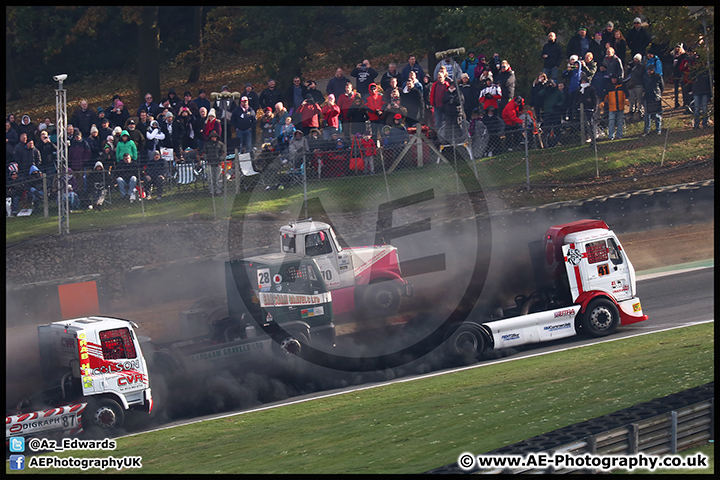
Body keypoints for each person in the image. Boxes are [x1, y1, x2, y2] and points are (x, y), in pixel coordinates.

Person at [602, 74, 628, 140]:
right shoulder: (608, 87)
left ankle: (619, 135)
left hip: (620, 107)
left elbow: (626, 95)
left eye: (615, 79)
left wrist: (626, 102)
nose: (613, 80)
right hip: (612, 108)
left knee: (620, 122)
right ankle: (611, 136)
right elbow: (604, 96)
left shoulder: (622, 86)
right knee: (611, 122)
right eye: (612, 79)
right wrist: (602, 103)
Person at [200, 130, 225, 196]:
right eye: (212, 137)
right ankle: (212, 191)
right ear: (210, 137)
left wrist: (220, 159)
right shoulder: (207, 144)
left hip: (218, 163)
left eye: (215, 137)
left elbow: (223, 153)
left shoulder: (221, 144)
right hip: (210, 163)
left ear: (217, 137)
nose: (214, 138)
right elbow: (204, 153)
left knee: (218, 178)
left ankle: (218, 191)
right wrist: (207, 159)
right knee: (210, 178)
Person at [642, 63, 664, 136]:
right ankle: (646, 130)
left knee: (657, 114)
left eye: (650, 70)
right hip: (647, 97)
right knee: (647, 115)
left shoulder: (658, 77)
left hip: (656, 97)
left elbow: (662, 86)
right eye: (648, 70)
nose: (649, 71)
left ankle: (658, 129)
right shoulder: (644, 77)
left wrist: (658, 94)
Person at [625, 53, 647, 120]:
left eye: (636, 59)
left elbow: (639, 74)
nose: (635, 60)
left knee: (640, 100)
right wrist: (629, 67)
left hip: (639, 85)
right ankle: (632, 111)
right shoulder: (632, 66)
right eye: (634, 59)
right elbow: (627, 72)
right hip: (632, 85)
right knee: (631, 99)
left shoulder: (642, 67)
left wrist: (635, 67)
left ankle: (641, 112)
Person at [671, 43, 688, 109]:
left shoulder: (684, 55)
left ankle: (685, 102)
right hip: (675, 74)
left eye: (678, 47)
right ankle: (676, 103)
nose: (677, 49)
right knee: (676, 90)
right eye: (676, 47)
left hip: (682, 73)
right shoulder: (672, 55)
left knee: (684, 89)